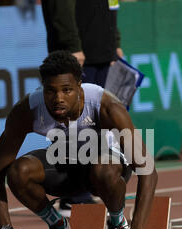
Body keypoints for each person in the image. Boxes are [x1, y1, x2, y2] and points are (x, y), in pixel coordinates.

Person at [0, 50, 157, 229]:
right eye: (51, 91)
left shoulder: (106, 106)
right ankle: (57, 226)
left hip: (106, 171)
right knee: (19, 172)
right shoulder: (27, 111)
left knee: (102, 169)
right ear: (43, 88)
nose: (58, 99)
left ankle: (117, 224)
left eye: (66, 90)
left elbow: (148, 170)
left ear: (79, 85)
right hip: (65, 169)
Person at [41, 0, 124, 215]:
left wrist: (114, 42)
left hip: (101, 52)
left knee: (95, 126)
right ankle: (72, 195)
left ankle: (88, 186)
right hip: (78, 54)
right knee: (71, 123)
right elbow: (60, 8)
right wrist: (72, 45)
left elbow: (111, 5)